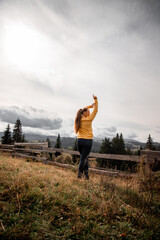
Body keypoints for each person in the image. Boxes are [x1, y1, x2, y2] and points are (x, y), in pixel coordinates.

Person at [74, 95, 98, 179]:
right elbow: (96, 111)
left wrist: (89, 107)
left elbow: (81, 110)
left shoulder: (78, 119)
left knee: (84, 158)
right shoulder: (89, 119)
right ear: (85, 113)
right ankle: (79, 175)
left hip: (79, 141)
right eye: (88, 111)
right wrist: (96, 100)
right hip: (87, 141)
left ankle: (86, 175)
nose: (90, 112)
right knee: (83, 159)